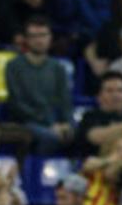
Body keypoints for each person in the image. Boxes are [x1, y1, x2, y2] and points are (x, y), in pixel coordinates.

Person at [6, 16, 73, 156]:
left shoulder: (58, 68)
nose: (39, 40)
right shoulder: (13, 66)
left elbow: (65, 101)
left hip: (53, 122)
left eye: (43, 35)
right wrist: (50, 124)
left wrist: (67, 123)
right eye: (34, 36)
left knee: (78, 134)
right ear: (26, 39)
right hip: (25, 122)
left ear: (50, 38)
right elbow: (17, 104)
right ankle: (34, 166)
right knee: (50, 137)